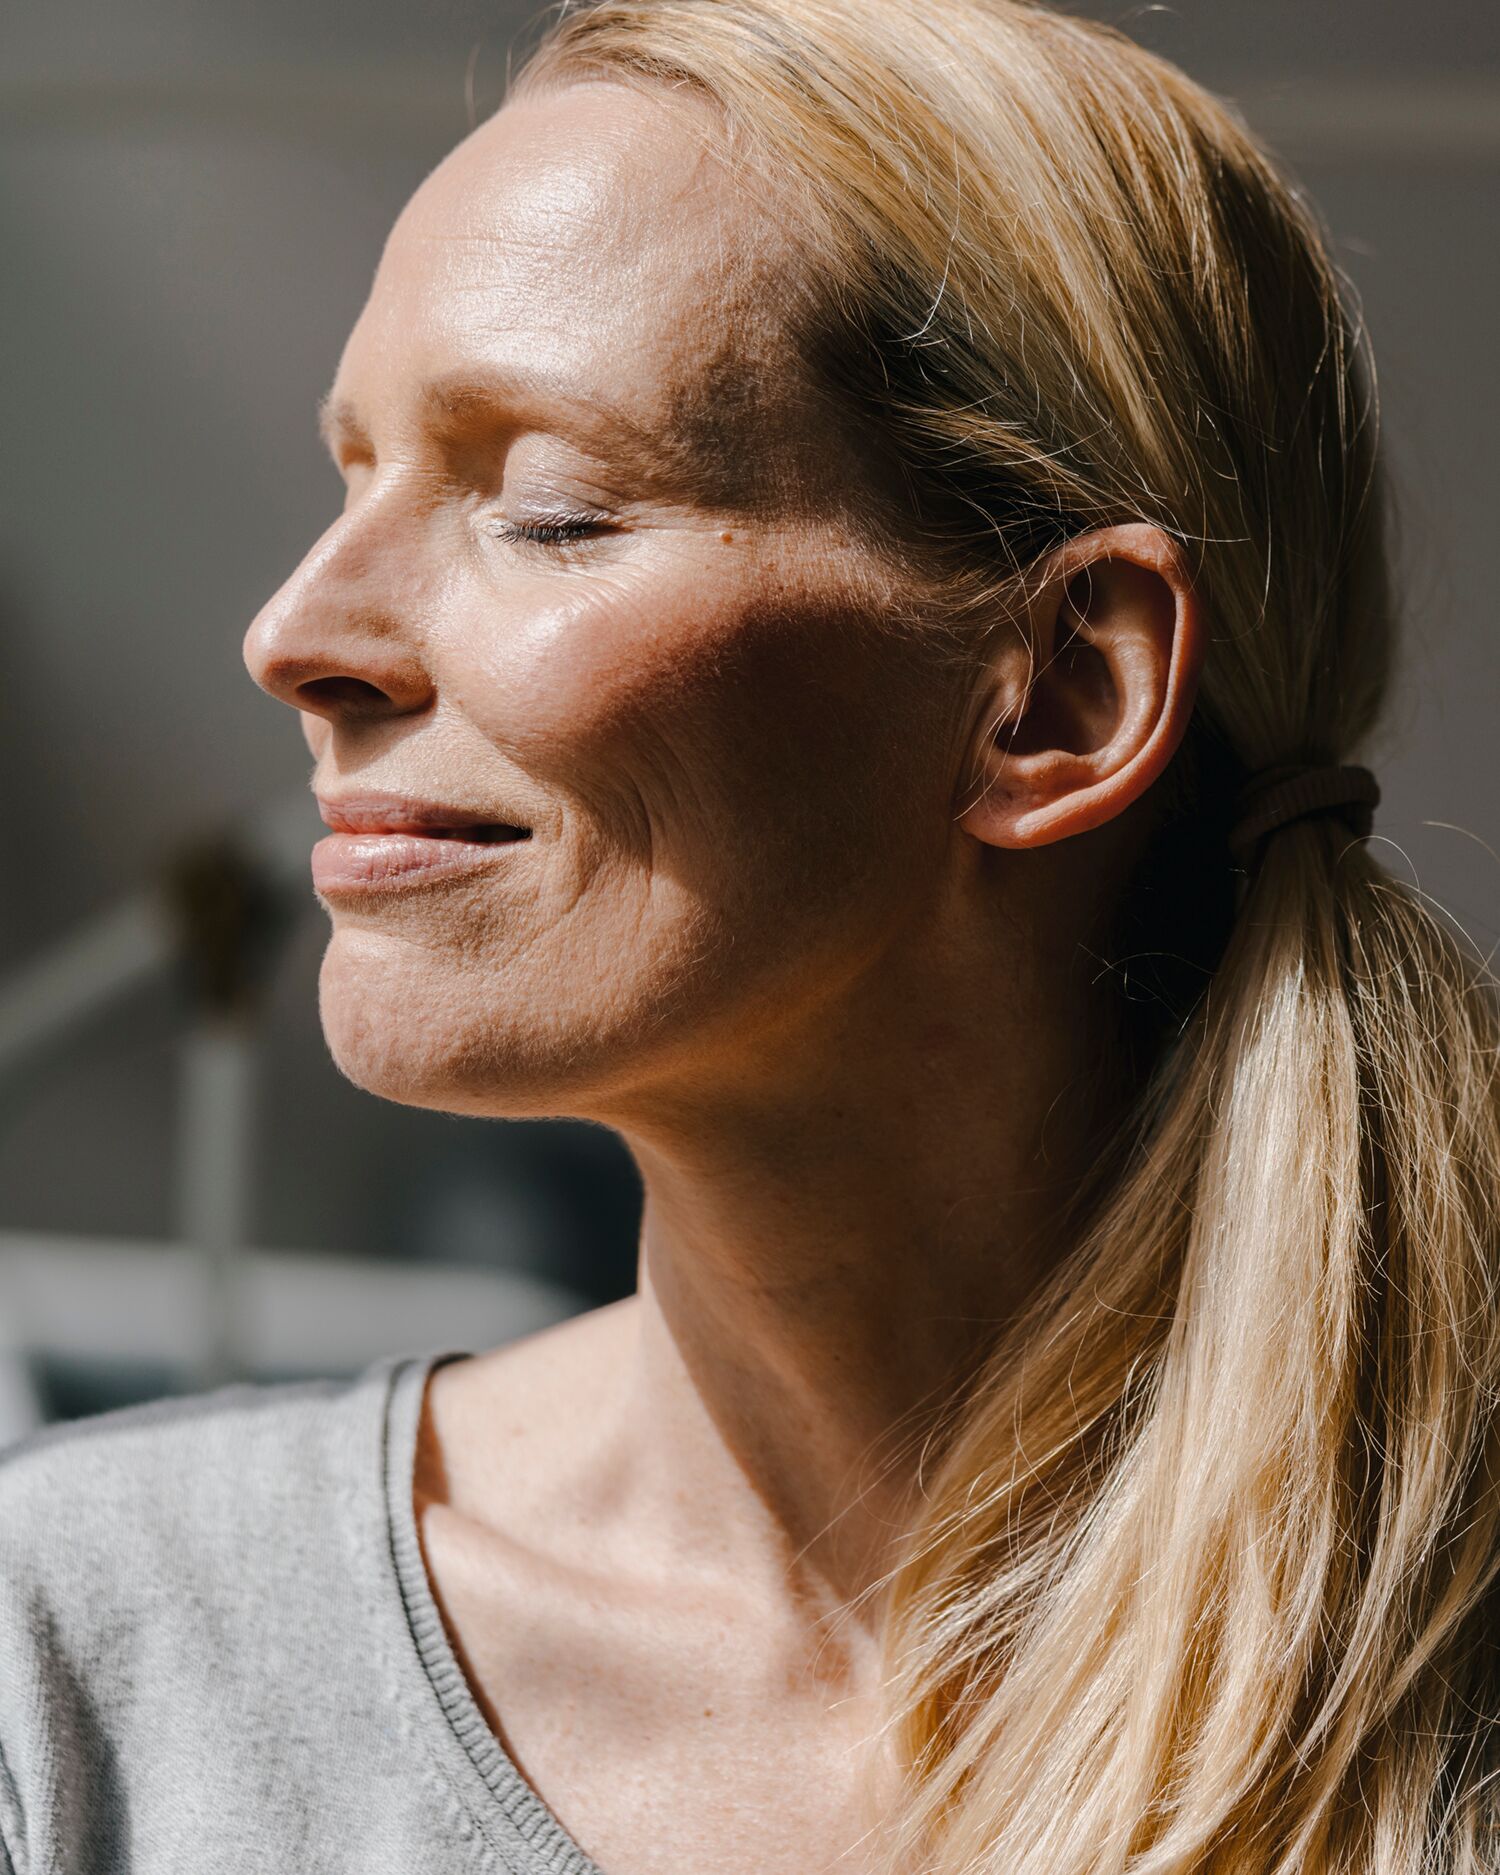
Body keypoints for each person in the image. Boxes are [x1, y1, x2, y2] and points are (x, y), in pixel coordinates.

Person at [3, 1, 1497, 1870]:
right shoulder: (76, 1665)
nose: (297, 631)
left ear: (1058, 694)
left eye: (547, 511)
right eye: (350, 474)